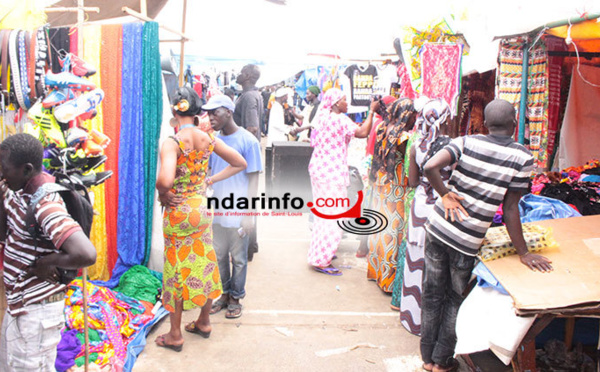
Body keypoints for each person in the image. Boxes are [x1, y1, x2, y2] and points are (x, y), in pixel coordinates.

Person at [420, 99, 553, 372]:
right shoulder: (522, 157)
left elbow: (429, 166)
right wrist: (524, 253)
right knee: (454, 298)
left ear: (485, 123)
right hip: (467, 240)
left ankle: (427, 359)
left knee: (433, 293)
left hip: (438, 228)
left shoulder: (466, 142)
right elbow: (511, 208)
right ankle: (441, 362)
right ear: (515, 123)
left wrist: (444, 194)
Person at [155, 87, 247, 351]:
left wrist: (165, 193)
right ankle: (204, 321)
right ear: (198, 112)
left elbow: (165, 180)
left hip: (178, 211)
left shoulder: (172, 142)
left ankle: (175, 335)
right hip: (202, 209)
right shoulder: (208, 138)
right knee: (205, 262)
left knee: (176, 271)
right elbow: (240, 162)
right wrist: (210, 180)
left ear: (175, 111)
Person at [0, 133, 97, 371]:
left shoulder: (46, 204)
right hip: (19, 305)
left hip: (36, 311)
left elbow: (86, 254)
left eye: (4, 168)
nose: (2, 173)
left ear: (27, 169)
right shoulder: (17, 189)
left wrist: (47, 263)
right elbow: (4, 234)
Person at [203, 95, 262, 319]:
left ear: (228, 112)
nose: (210, 118)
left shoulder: (249, 141)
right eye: (208, 114)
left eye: (214, 113)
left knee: (238, 258)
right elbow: (209, 173)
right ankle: (224, 293)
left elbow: (254, 179)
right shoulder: (212, 141)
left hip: (238, 212)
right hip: (217, 211)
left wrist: (249, 214)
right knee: (219, 256)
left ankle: (236, 297)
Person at [307, 88, 377, 275]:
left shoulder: (323, 117)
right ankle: (321, 260)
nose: (348, 103)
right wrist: (371, 111)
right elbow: (362, 132)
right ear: (337, 103)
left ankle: (320, 252)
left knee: (322, 214)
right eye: (345, 100)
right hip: (332, 174)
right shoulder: (339, 119)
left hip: (318, 170)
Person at [400, 99, 452, 335]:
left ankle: (411, 319)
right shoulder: (451, 148)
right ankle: (431, 325)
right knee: (437, 266)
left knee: (415, 261)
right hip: (441, 207)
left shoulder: (416, 146)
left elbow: (412, 182)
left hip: (419, 206)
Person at [366, 99, 417, 294]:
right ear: (406, 114)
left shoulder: (382, 128)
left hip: (381, 184)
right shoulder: (403, 138)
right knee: (392, 234)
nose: (415, 118)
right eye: (413, 115)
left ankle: (376, 272)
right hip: (396, 189)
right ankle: (388, 282)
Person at [233, 64, 263, 258]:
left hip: (244, 156)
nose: (239, 73)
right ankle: (250, 244)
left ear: (249, 76)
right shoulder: (250, 95)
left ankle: (247, 245)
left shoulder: (250, 97)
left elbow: (252, 127)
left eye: (243, 71)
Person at [234, 64, 264, 141]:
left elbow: (252, 128)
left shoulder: (249, 96)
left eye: (241, 73)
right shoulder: (253, 94)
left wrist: (241, 146)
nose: (238, 75)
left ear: (247, 76)